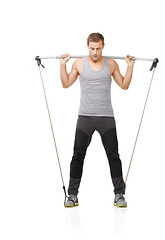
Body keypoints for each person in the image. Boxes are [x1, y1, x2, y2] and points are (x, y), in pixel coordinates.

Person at [60, 32, 135, 207]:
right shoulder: (79, 63)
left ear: (103, 47)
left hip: (106, 117)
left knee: (113, 156)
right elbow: (65, 84)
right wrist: (63, 65)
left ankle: (119, 195)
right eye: (92, 48)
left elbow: (124, 85)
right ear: (88, 47)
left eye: (98, 48)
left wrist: (130, 67)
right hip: (85, 117)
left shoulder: (111, 64)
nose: (95, 52)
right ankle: (72, 195)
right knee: (77, 155)